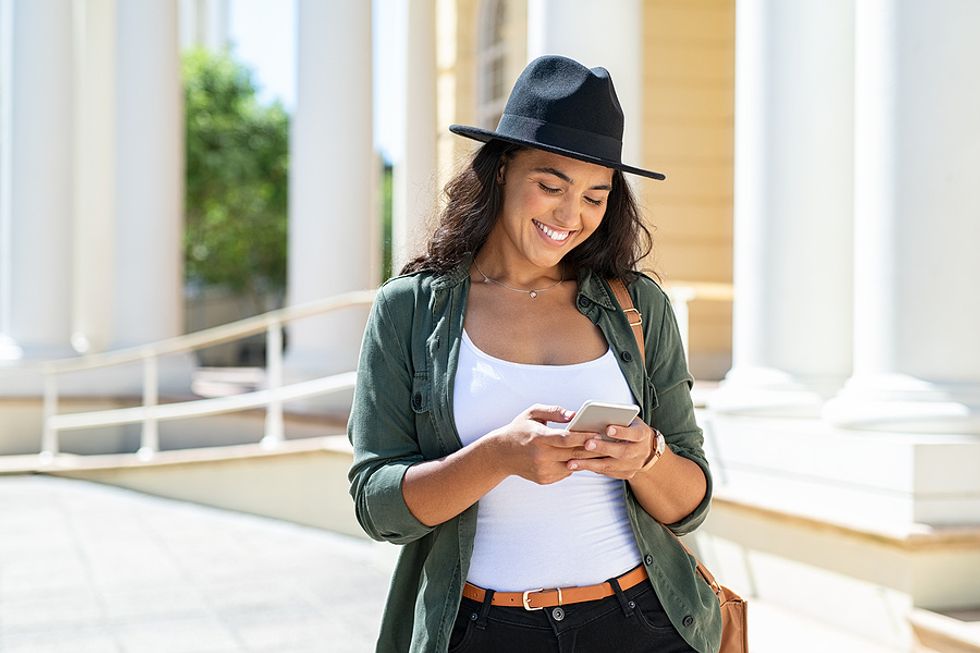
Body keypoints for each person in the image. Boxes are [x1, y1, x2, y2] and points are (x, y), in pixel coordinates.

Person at [348, 55, 723, 653]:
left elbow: (691, 504)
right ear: (500, 172)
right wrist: (497, 456)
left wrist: (646, 458)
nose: (570, 216)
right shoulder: (410, 310)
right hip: (481, 631)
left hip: (643, 622)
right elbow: (378, 506)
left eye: (596, 197)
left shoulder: (639, 306)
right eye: (550, 186)